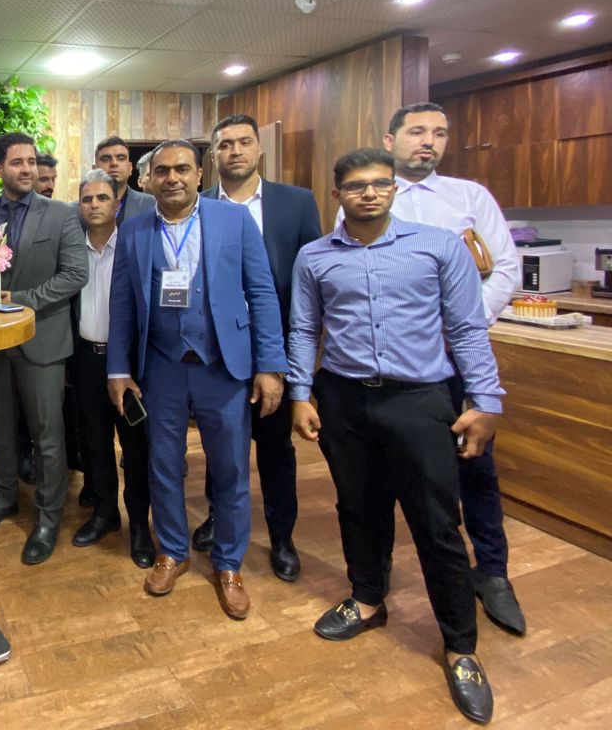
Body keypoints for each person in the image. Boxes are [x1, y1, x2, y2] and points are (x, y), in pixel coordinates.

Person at [289, 148, 503, 725]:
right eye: (357, 185)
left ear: (393, 190)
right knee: (358, 507)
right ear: (338, 194)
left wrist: (485, 400)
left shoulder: (437, 247)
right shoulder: (314, 256)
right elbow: (305, 327)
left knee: (436, 522)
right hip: (344, 397)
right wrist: (301, 393)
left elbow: (466, 327)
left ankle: (460, 647)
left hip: (419, 399)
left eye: (380, 184)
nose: (369, 193)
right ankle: (366, 599)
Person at [106, 140, 285, 619]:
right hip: (160, 367)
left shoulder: (234, 220)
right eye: (162, 171)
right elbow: (122, 303)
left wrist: (270, 365)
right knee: (163, 463)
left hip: (222, 365)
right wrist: (118, 369)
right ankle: (173, 551)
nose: (172, 178)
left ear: (200, 174)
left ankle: (228, 563)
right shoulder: (134, 229)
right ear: (148, 179)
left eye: (182, 169)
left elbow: (262, 293)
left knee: (230, 467)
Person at [380, 102, 525, 636]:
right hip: (395, 360)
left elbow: (506, 267)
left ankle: (492, 572)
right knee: (390, 469)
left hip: (459, 359)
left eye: (439, 134)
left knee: (475, 467)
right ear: (390, 140)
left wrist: (465, 320)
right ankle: (378, 570)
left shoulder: (469, 197)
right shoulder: (372, 195)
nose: (429, 142)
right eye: (417, 132)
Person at [192, 115, 322, 582]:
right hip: (217, 351)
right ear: (214, 155)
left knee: (274, 449)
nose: (235, 151)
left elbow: (310, 279)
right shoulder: (199, 206)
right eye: (225, 144)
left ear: (259, 148)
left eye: (244, 142)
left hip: (274, 347)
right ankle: (217, 515)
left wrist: (290, 360)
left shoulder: (296, 203)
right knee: (219, 443)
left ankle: (282, 536)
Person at [0, 133, 87, 565]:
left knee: (47, 435)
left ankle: (48, 517)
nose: (27, 169)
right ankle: (3, 498)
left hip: (43, 340)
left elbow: (75, 274)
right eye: (17, 162)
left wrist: (21, 300)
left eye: (31, 161)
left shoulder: (61, 215)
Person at [70, 170, 153, 568]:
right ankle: (105, 514)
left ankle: (139, 525)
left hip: (129, 363)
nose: (94, 205)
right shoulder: (72, 249)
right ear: (79, 206)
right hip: (86, 358)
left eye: (103, 198)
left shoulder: (135, 245)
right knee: (95, 441)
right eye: (87, 199)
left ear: (118, 205)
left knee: (135, 448)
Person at [95, 135, 156, 225]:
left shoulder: (152, 204)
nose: (114, 163)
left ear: (130, 168)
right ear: (95, 169)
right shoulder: (77, 210)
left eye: (121, 158)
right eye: (106, 159)